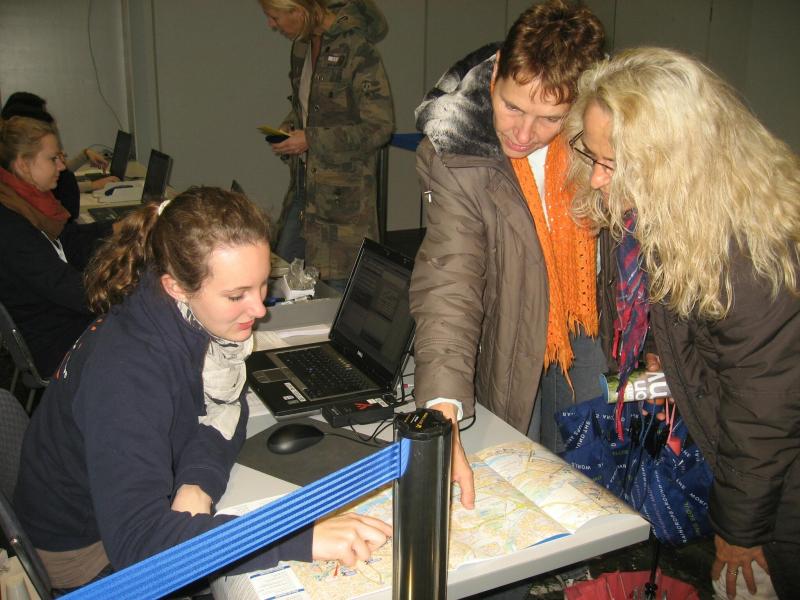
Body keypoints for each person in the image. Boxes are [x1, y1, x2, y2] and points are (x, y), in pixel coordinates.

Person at [13, 187, 392, 590]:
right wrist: (298, 536)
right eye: (236, 295)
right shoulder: (127, 372)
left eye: (262, 285)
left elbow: (227, 405)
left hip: (124, 518)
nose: (259, 309)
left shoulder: (185, 315)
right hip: (85, 554)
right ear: (176, 285)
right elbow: (140, 547)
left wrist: (198, 480)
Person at [567, 47, 800, 600]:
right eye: (592, 155)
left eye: (613, 164)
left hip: (778, 489)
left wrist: (739, 533)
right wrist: (666, 351)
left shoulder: (750, 253)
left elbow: (765, 414)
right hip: (745, 457)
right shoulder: (682, 210)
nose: (596, 179)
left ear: (673, 161)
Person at [409, 0, 605, 510]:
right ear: (495, 74)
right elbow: (450, 277)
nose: (522, 134)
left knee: (591, 475)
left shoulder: (606, 136)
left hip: (591, 322)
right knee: (519, 469)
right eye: (512, 107)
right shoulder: (454, 150)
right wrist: (441, 409)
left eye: (550, 119)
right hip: (513, 327)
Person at [259, 0, 394, 288]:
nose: (271, 25)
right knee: (282, 281)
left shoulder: (357, 48)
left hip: (343, 206)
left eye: (274, 17)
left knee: (337, 293)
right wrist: (290, 127)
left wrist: (310, 138)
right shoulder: (301, 48)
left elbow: (379, 127)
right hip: (304, 191)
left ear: (297, 9)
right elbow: (310, 107)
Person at [0, 116, 112, 378]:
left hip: (58, 318)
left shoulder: (26, 204)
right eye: (53, 159)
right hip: (56, 341)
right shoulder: (11, 225)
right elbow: (78, 294)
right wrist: (130, 284)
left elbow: (69, 242)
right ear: (23, 164)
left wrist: (120, 229)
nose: (62, 166)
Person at [1, 92, 119, 219]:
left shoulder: (13, 186)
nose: (61, 166)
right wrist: (92, 185)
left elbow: (55, 176)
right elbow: (61, 187)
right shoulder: (22, 212)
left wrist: (85, 155)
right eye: (53, 158)